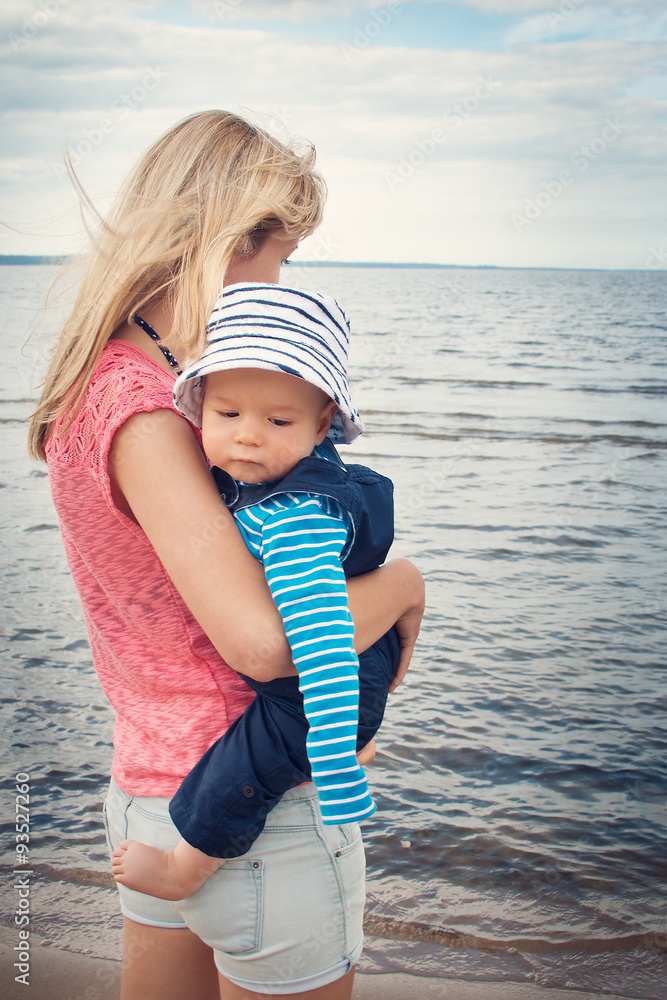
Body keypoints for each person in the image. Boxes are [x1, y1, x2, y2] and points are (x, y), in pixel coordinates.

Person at [28, 110, 425, 1000]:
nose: (279, 285)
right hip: (252, 813)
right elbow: (263, 645)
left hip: (152, 788)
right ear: (224, 240)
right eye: (279, 258)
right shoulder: (149, 412)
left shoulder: (104, 385)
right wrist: (402, 585)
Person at [111, 282, 402, 901]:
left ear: (323, 424)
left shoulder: (297, 513)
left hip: (320, 680)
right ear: (200, 405)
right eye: (228, 414)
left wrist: (336, 758)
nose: (247, 437)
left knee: (250, 760)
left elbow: (317, 646)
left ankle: (185, 866)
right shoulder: (261, 471)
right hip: (345, 655)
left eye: (277, 421)